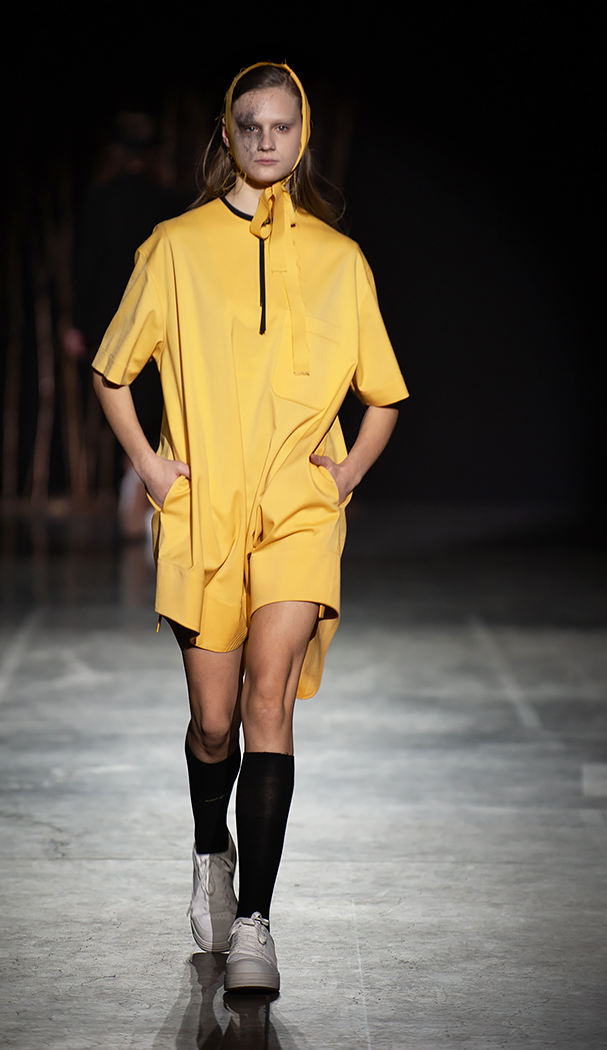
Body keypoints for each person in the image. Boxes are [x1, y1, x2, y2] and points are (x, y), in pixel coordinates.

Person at [91, 62, 408, 993]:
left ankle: (258, 926)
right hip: (204, 513)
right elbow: (113, 371)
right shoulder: (175, 247)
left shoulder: (341, 260)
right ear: (226, 136)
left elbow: (384, 393)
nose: (267, 141)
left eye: (283, 126)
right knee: (213, 721)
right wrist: (152, 470)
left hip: (299, 512)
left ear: (302, 137)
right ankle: (209, 852)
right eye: (251, 125)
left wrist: (345, 475)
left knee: (270, 703)